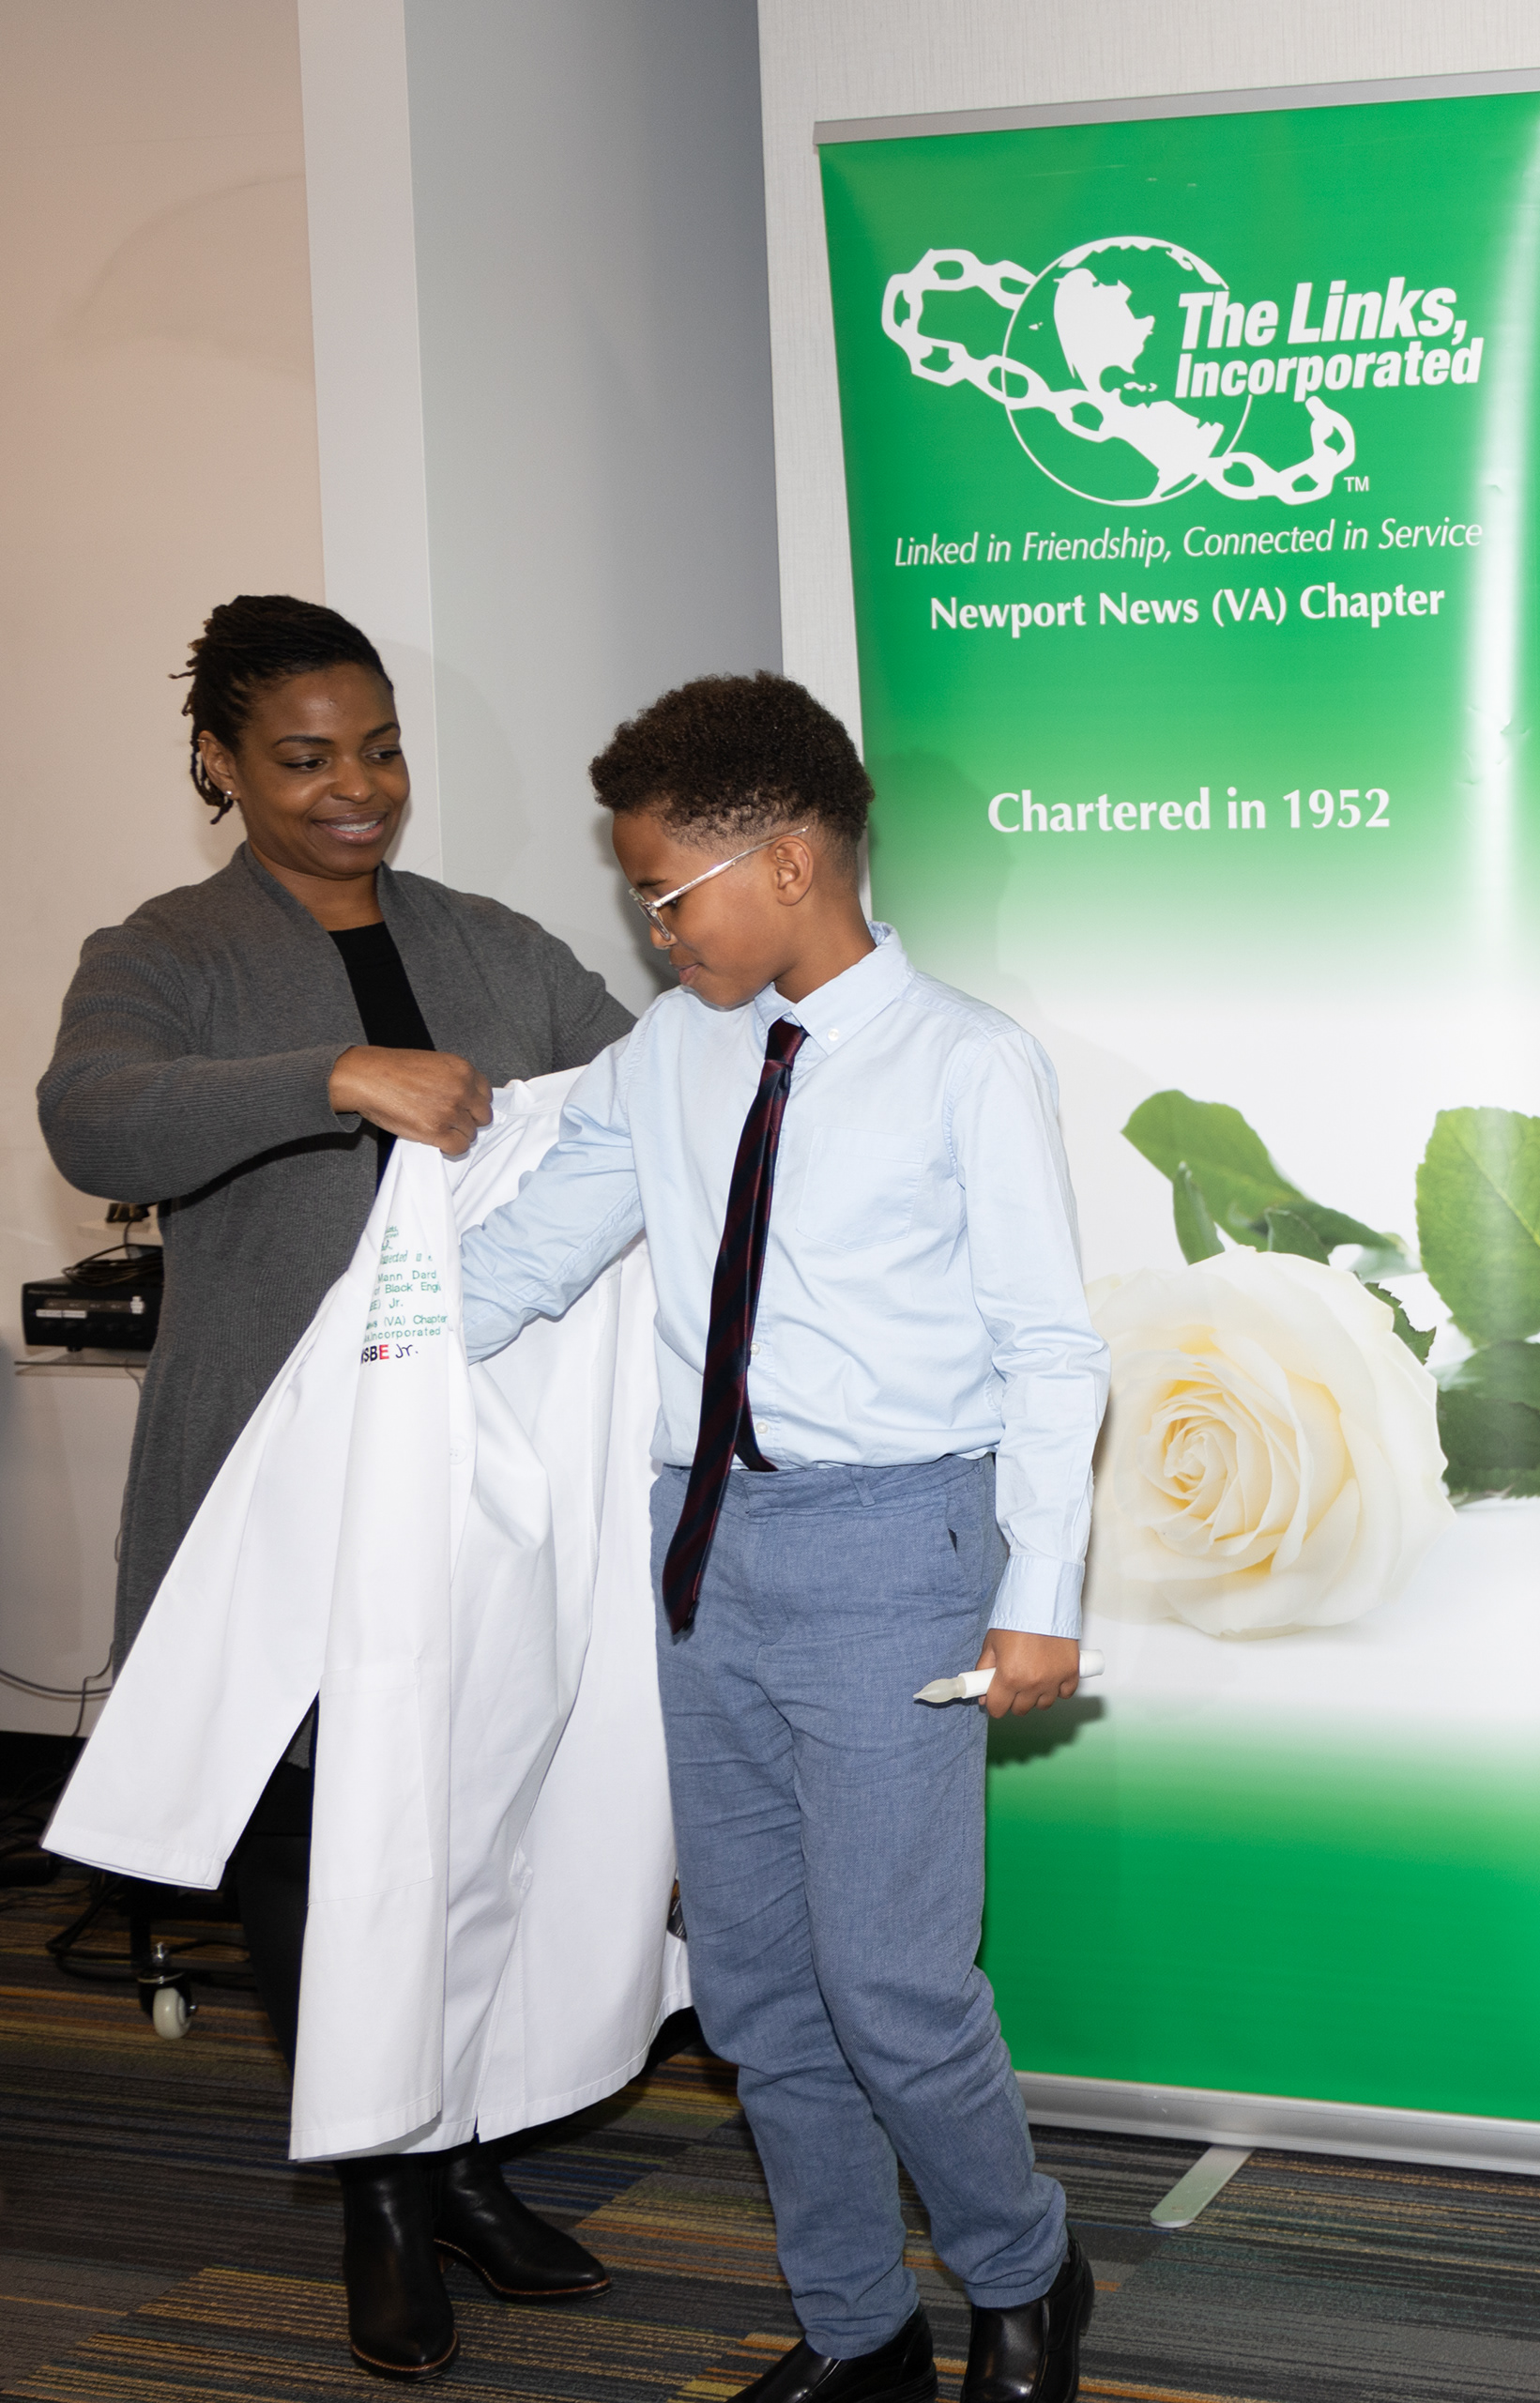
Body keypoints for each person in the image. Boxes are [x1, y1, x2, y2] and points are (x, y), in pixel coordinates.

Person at [456, 672, 1105, 2403]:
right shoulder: (663, 1056)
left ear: (794, 862)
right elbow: (533, 1255)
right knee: (750, 1993)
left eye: (668, 894)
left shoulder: (968, 1061)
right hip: (700, 1553)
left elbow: (1053, 1349)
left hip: (896, 1551)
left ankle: (1027, 2272)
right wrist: (368, 1344)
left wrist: (1042, 1595)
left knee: (890, 1981)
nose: (652, 927)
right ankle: (856, 2326)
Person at [37, 594, 634, 2379]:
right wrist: (330, 1078)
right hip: (270, 1486)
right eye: (305, 759)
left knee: (466, 1823)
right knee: (313, 1849)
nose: (356, 789)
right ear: (220, 763)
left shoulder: (493, 941)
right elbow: (95, 1119)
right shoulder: (165, 947)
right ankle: (379, 2191)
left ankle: (460, 2158)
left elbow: (637, 1095)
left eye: (379, 750)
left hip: (475, 1475)